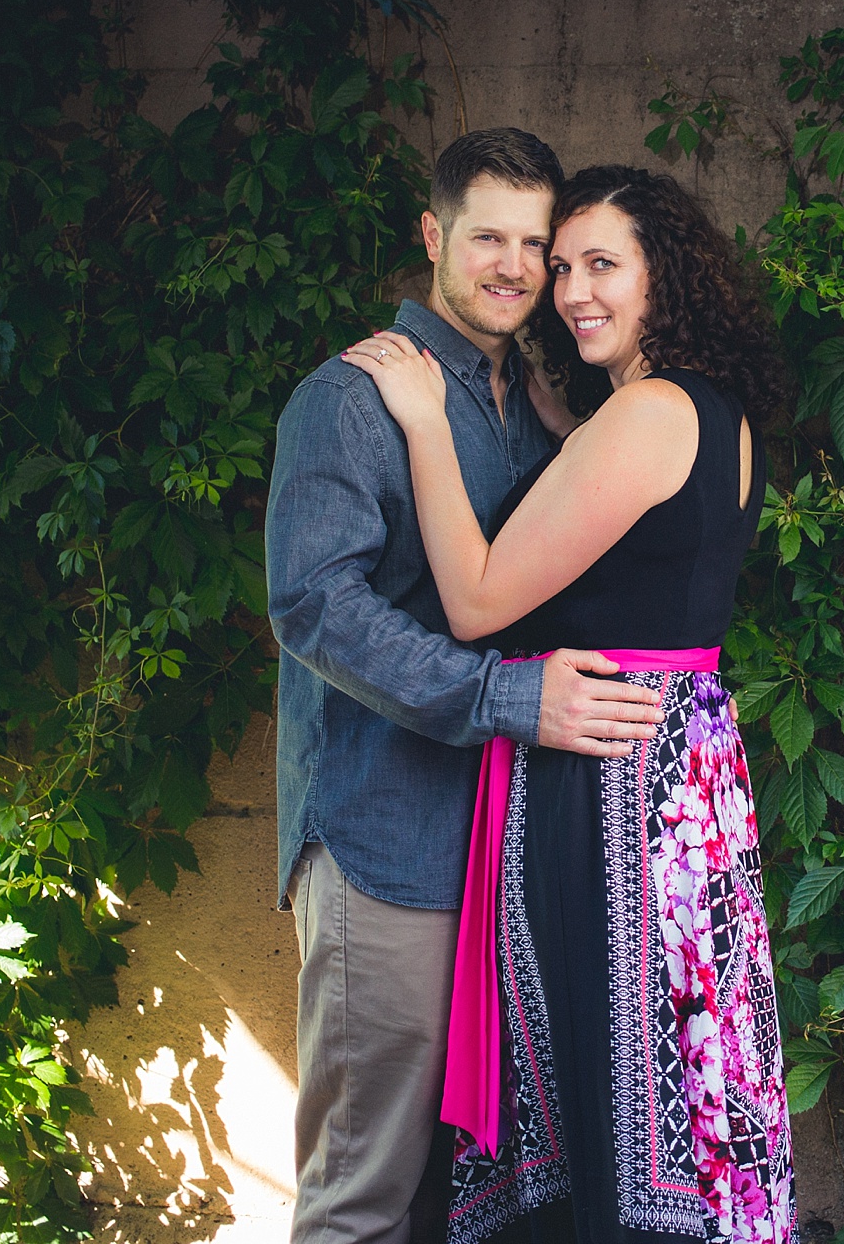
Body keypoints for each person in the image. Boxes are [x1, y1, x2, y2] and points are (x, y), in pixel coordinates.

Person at [340, 164, 796, 1244]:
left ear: (663, 276)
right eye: (561, 268)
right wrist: (556, 416)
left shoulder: (645, 413)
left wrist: (421, 422)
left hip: (609, 782)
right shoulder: (701, 410)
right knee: (669, 1067)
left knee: (604, 1076)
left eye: (604, 265)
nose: (573, 291)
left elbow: (477, 598)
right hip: (674, 770)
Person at [267, 129, 667, 1244]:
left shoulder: (521, 399)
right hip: (386, 841)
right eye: (485, 235)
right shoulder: (351, 399)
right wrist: (508, 696)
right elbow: (313, 607)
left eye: (534, 244)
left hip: (501, 844)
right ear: (434, 237)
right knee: (364, 1194)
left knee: (463, 1202)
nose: (512, 265)